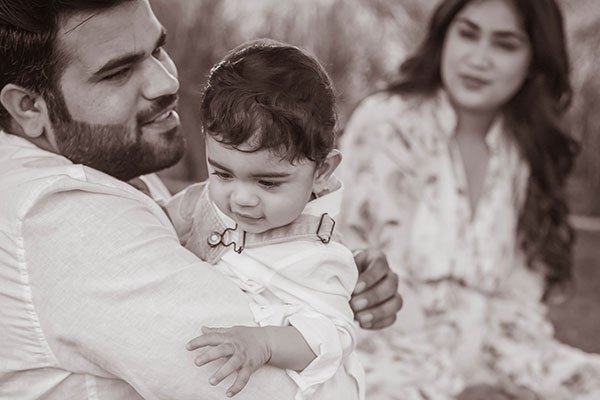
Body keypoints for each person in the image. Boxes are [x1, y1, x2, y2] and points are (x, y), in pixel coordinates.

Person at [0, 1, 402, 399]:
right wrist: (330, 332)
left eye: (158, 49)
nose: (167, 83)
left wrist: (312, 263)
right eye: (118, 72)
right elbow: (308, 393)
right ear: (29, 107)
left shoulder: (95, 163)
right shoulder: (63, 217)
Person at [337, 0, 600, 399]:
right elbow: (348, 269)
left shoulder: (528, 151)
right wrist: (463, 388)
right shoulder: (386, 124)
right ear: (445, 37)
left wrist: (508, 383)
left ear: (534, 60)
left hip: (503, 353)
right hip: (386, 352)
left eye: (505, 44)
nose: (478, 59)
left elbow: (520, 303)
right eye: (468, 33)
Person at [164, 39, 364, 399]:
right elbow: (156, 229)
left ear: (321, 171)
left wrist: (265, 343)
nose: (241, 199)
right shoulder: (203, 202)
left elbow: (333, 335)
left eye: (268, 182)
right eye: (223, 173)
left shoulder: (316, 254)